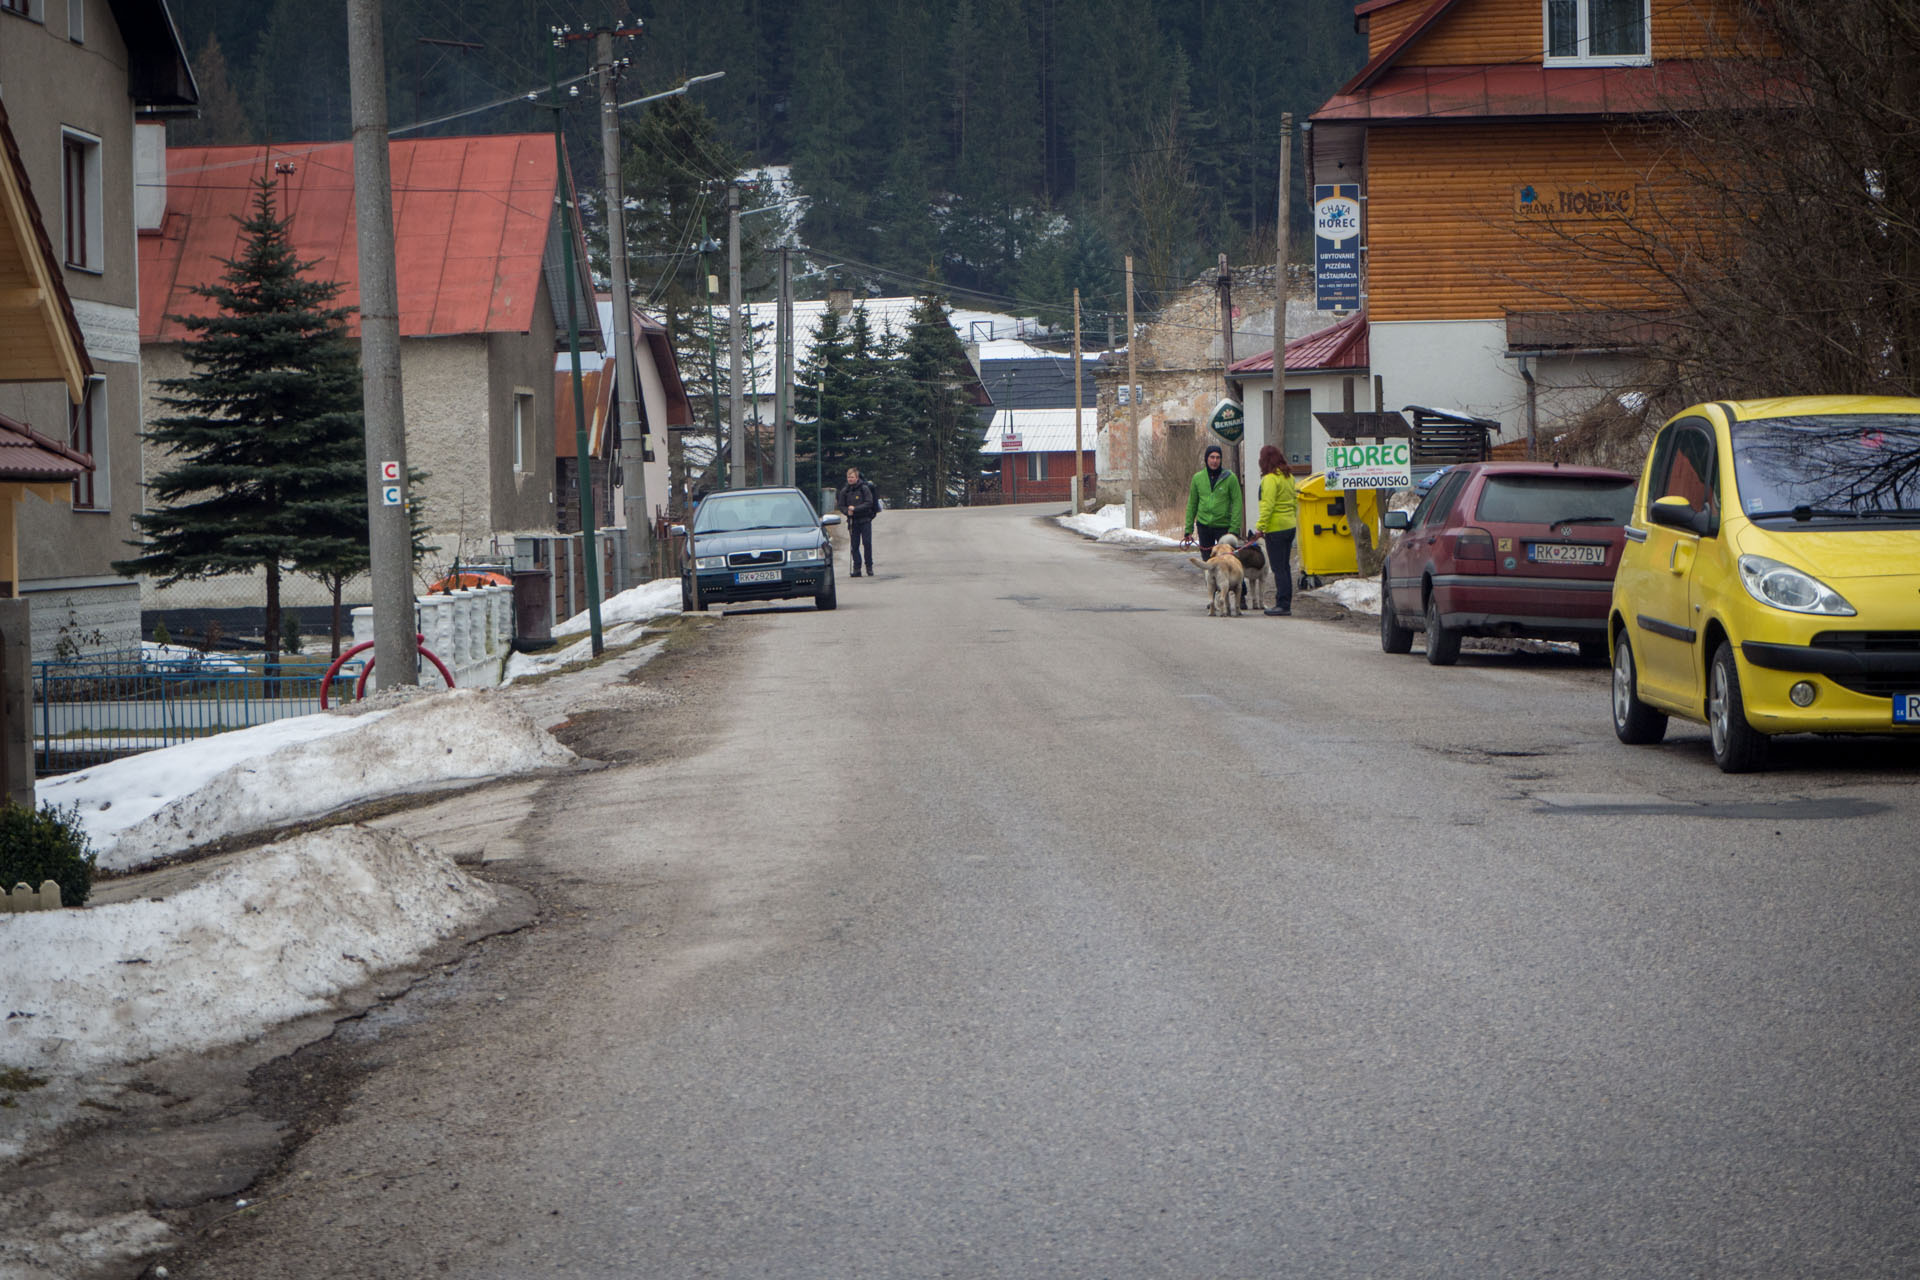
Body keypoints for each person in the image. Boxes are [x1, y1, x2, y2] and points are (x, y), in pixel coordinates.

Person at [1252, 443, 1299, 616]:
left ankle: (1282, 604)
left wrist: (1260, 528)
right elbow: (1294, 502)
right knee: (1285, 567)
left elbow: (1268, 506)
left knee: (1279, 568)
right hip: (1289, 526)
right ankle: (1286, 602)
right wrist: (1292, 519)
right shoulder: (1288, 477)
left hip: (1276, 528)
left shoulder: (1270, 479)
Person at [1181, 443, 1244, 567]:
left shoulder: (1230, 478)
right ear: (1206, 459)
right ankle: (1211, 586)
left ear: (1221, 459)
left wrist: (1234, 529)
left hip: (1224, 527)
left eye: (1217, 457)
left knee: (1230, 562)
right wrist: (1188, 529)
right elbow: (1192, 504)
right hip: (1204, 527)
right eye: (1212, 457)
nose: (1215, 461)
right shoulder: (1197, 478)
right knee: (1208, 564)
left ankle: (1240, 586)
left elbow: (1237, 503)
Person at [838, 466, 879, 577]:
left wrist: (855, 509)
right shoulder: (845, 491)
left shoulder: (864, 489)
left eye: (852, 477)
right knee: (854, 545)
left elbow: (869, 502)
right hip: (853, 521)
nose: (850, 479)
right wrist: (847, 511)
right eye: (848, 477)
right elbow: (841, 505)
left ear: (857, 478)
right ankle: (857, 568)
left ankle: (869, 567)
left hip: (865, 520)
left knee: (867, 543)